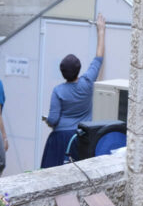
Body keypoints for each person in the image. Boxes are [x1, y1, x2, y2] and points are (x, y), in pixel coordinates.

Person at [41, 13, 107, 169]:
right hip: (80, 137)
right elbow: (98, 58)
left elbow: (53, 120)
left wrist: (47, 119)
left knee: (51, 177)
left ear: (62, 72)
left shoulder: (58, 91)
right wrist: (101, 30)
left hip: (59, 139)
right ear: (79, 69)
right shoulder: (87, 82)